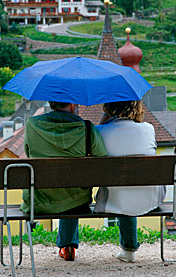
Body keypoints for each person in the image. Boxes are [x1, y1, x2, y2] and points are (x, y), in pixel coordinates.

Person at [20, 101, 108, 261]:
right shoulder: (87, 129)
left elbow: (28, 152)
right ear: (72, 104)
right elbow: (103, 162)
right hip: (76, 201)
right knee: (72, 193)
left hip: (38, 201)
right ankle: (68, 246)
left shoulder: (32, 125)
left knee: (65, 191)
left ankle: (65, 246)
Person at [94, 100, 166, 263]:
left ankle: (128, 249)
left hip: (115, 199)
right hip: (151, 197)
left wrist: (101, 123)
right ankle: (129, 249)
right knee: (127, 186)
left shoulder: (99, 131)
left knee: (121, 190)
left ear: (108, 107)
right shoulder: (148, 129)